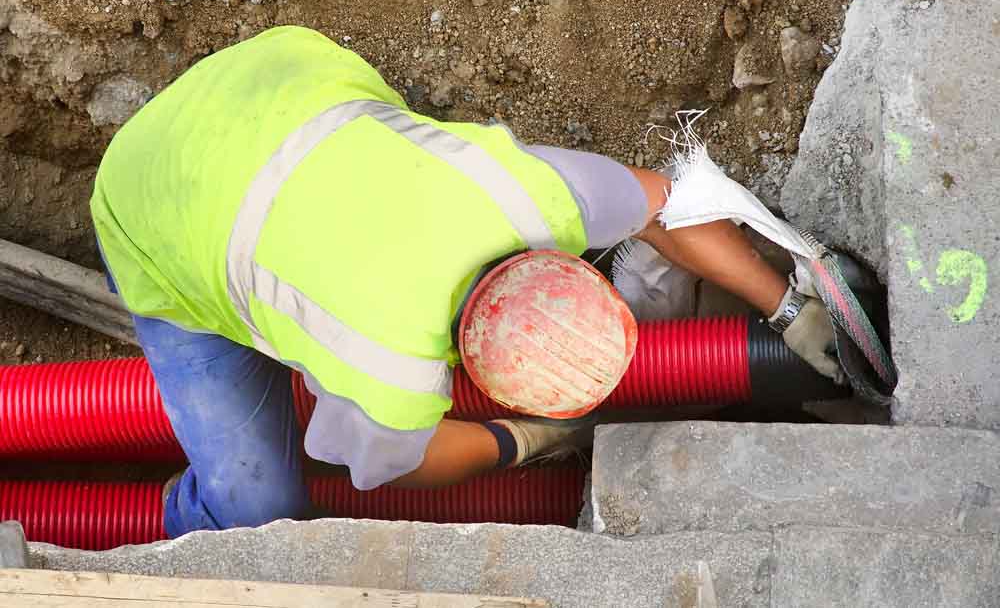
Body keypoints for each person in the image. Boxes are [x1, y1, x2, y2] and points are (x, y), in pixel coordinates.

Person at [90, 26, 841, 537]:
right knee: (261, 505)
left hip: (278, 74)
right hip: (157, 203)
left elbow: (668, 204)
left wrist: (787, 305)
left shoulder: (519, 191)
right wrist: (526, 438)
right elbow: (394, 464)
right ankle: (181, 536)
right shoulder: (389, 369)